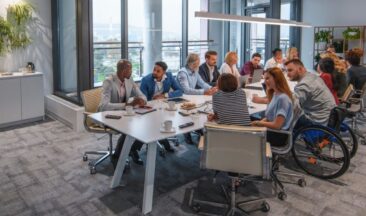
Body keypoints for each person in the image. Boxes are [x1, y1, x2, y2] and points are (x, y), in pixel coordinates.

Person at [99, 59, 147, 167]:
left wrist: (142, 100)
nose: (131, 72)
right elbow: (104, 106)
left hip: (124, 114)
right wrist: (126, 105)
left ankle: (133, 149)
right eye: (130, 69)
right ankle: (117, 157)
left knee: (145, 123)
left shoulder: (129, 80)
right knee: (129, 129)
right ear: (124, 70)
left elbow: (141, 95)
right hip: (108, 116)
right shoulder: (109, 81)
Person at [140, 61, 182, 152]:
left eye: (158, 71)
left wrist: (165, 95)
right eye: (154, 69)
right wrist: (152, 101)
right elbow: (143, 99)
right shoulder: (146, 80)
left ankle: (163, 141)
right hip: (149, 108)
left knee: (165, 121)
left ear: (164, 72)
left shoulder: (169, 76)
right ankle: (134, 148)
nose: (154, 72)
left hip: (163, 107)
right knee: (151, 125)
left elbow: (179, 91)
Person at [177, 53, 217, 144]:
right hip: (183, 98)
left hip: (192, 97)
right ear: (191, 63)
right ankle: (186, 133)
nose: (198, 65)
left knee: (202, 109)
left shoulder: (195, 71)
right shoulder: (183, 73)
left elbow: (202, 83)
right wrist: (204, 92)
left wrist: (210, 89)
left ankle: (197, 128)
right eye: (196, 63)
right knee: (191, 112)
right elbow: (186, 90)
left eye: (198, 63)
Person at [285, 59, 336, 129]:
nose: (287, 74)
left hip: (318, 121)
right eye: (286, 71)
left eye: (290, 70)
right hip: (328, 117)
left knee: (283, 121)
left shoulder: (304, 84)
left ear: (300, 69)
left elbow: (292, 106)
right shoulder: (312, 76)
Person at [251, 67, 293, 147]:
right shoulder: (275, 94)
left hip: (277, 136)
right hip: (273, 131)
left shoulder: (282, 98)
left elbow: (277, 125)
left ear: (276, 79)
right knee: (247, 121)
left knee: (245, 127)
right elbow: (269, 117)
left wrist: (258, 123)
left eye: (267, 78)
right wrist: (259, 123)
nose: (265, 82)